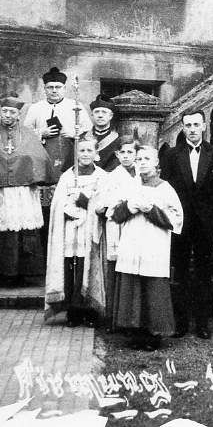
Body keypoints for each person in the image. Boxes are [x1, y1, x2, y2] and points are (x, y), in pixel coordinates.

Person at [159, 108, 213, 339]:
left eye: (196, 125)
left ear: (204, 126)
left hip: (206, 226)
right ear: (183, 127)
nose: (192, 130)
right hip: (179, 225)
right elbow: (165, 191)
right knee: (178, 274)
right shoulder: (171, 155)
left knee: (203, 274)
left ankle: (202, 324)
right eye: (187, 125)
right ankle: (180, 323)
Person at [0, 94, 57, 286]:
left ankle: (26, 274)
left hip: (23, 193)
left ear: (19, 114)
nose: (8, 115)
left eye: (12, 111)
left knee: (23, 231)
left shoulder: (28, 134)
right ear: (0, 111)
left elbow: (39, 159)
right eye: (5, 111)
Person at [110, 146, 182, 351]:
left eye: (147, 158)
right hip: (132, 244)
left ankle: (154, 334)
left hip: (154, 245)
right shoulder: (128, 186)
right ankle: (135, 331)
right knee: (132, 288)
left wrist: (151, 210)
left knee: (153, 288)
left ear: (156, 162)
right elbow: (114, 214)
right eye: (139, 158)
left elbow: (176, 220)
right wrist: (130, 207)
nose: (142, 162)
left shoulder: (165, 188)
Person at [44, 137, 107, 326]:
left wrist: (86, 202)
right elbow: (57, 204)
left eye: (89, 151)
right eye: (82, 151)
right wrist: (68, 209)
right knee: (72, 268)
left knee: (89, 269)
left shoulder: (103, 177)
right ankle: (73, 312)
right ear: (76, 154)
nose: (86, 154)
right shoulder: (67, 177)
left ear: (96, 154)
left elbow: (105, 203)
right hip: (70, 230)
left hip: (91, 230)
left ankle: (91, 312)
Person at [93, 136, 139, 331]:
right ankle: (114, 318)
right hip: (117, 228)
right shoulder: (111, 177)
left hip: (137, 229)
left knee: (133, 272)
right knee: (115, 273)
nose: (126, 156)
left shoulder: (141, 174)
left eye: (130, 152)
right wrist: (114, 206)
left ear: (136, 154)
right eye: (123, 153)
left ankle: (132, 318)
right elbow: (99, 207)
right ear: (117, 155)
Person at [23, 66, 91, 175]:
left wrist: (73, 134)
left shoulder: (75, 105)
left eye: (58, 87)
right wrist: (41, 133)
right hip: (43, 152)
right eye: (50, 87)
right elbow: (25, 131)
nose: (54, 90)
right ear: (44, 89)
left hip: (68, 152)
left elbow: (87, 128)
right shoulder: (35, 107)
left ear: (64, 88)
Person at [89, 94, 120, 171]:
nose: (100, 115)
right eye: (96, 112)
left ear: (111, 116)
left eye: (104, 112)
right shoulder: (82, 138)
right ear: (92, 115)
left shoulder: (118, 140)